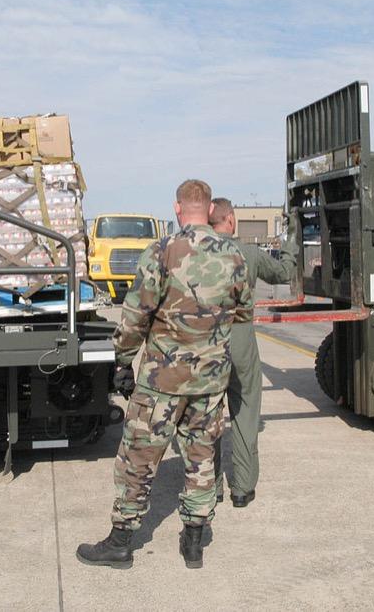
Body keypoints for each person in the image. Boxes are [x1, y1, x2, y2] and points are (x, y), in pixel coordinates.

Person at [76, 179, 252, 570]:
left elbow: (136, 315)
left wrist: (122, 360)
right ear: (210, 210)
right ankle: (194, 542)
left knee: (139, 456)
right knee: (202, 457)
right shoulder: (234, 255)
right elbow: (243, 313)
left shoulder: (161, 250)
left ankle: (121, 542)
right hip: (209, 381)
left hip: (162, 381)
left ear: (177, 208)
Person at [208, 198, 298, 508]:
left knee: (208, 414)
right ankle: (242, 489)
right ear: (231, 219)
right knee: (246, 409)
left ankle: (211, 488)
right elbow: (284, 273)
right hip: (241, 337)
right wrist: (291, 240)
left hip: (207, 339)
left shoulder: (197, 253)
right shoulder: (249, 253)